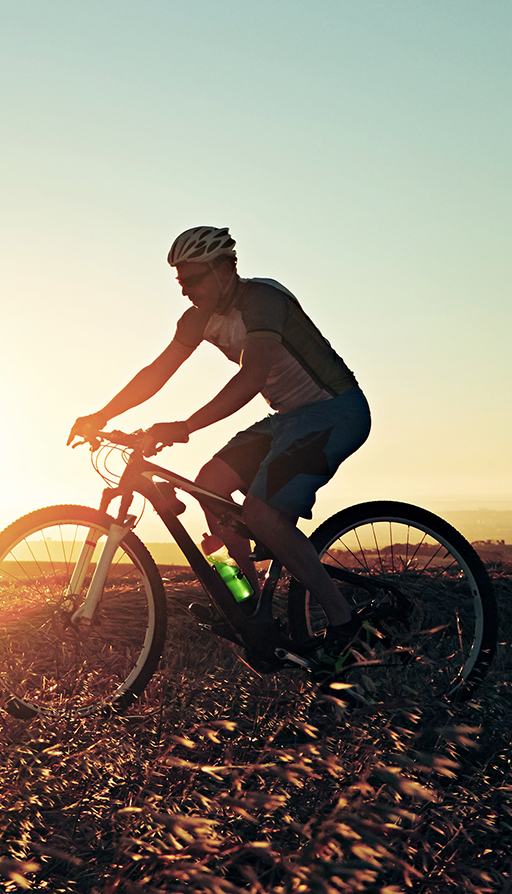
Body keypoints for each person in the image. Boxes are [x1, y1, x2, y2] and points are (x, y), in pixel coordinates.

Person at [70, 225, 373, 667]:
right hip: (288, 419)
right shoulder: (195, 319)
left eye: (192, 279)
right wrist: (102, 416)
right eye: (179, 281)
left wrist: (186, 425)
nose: (184, 291)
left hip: (335, 411)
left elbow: (252, 376)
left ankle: (345, 623)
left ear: (224, 269)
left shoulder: (262, 300)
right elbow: (157, 373)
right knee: (208, 484)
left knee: (263, 514)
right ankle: (249, 602)